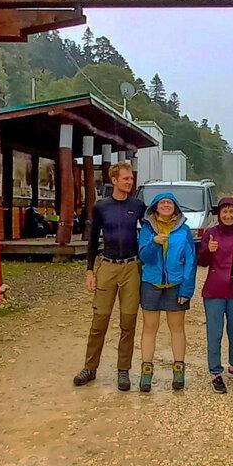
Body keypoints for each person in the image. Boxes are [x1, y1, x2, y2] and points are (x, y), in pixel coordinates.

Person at [73, 161, 145, 391]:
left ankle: (123, 370)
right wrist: (90, 270)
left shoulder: (138, 205)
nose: (129, 182)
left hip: (131, 267)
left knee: (128, 321)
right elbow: (93, 239)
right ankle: (90, 367)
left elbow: (153, 228)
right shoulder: (101, 207)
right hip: (108, 266)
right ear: (114, 180)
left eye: (131, 179)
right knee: (99, 320)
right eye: (125, 179)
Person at [136, 191, 197, 392]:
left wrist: (187, 289)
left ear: (175, 207)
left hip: (176, 285)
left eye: (169, 202)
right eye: (162, 202)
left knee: (177, 328)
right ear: (155, 207)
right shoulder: (147, 229)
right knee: (149, 328)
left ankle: (178, 369)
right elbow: (144, 257)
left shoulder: (184, 230)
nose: (166, 205)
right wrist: (154, 243)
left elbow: (190, 261)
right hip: (151, 283)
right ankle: (146, 371)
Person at [196, 196, 233, 392]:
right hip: (214, 291)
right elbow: (201, 261)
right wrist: (208, 251)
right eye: (224, 212)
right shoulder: (211, 234)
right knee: (215, 332)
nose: (228, 215)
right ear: (219, 214)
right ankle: (215, 372)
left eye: (231, 212)